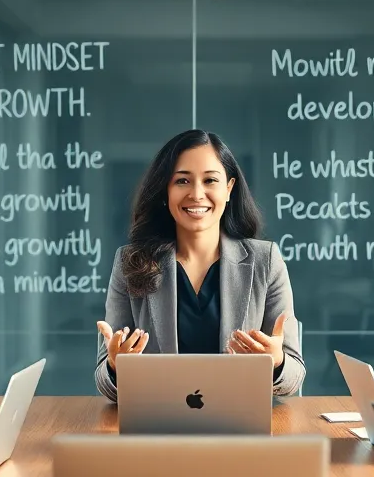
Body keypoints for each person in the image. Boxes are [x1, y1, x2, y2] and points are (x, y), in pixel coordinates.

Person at [94, 129, 304, 401]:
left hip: (240, 427)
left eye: (210, 181)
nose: (196, 194)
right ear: (165, 191)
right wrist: (114, 366)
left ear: (229, 189)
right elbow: (104, 381)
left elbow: (294, 375)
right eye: (182, 181)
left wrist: (276, 362)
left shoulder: (266, 261)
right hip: (158, 425)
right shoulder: (130, 262)